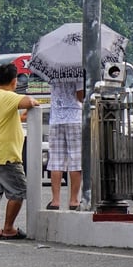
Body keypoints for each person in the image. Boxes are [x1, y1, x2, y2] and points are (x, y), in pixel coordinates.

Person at [0, 62, 40, 240]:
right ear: (14, 82)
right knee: (19, 190)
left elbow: (7, 119)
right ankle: (8, 228)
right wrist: (34, 103)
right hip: (5, 154)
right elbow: (29, 101)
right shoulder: (7, 96)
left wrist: (22, 117)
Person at [46, 76, 84, 211]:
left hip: (56, 118)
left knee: (56, 160)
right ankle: (73, 200)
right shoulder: (76, 71)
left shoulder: (54, 73)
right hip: (74, 117)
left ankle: (55, 200)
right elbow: (80, 96)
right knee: (75, 159)